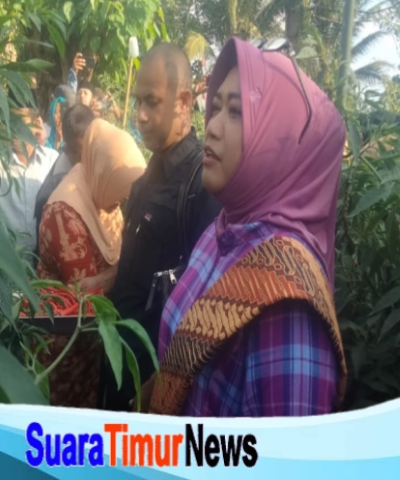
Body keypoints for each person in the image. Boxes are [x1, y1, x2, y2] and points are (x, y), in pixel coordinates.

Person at [141, 37, 348, 417]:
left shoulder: (289, 308)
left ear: (280, 140)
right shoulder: (220, 231)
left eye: (236, 112)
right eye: (216, 107)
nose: (212, 127)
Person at [92, 43, 222, 411]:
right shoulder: (148, 176)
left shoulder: (200, 185)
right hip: (118, 356)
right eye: (138, 102)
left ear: (183, 102)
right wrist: (106, 278)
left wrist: (158, 385)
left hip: (150, 379)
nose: (140, 116)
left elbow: (205, 304)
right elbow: (142, 261)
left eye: (152, 102)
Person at [35, 118, 147, 409]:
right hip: (63, 349)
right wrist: (126, 269)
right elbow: (84, 291)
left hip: (89, 341)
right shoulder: (65, 213)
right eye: (121, 189)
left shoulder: (102, 198)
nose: (123, 199)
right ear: (103, 171)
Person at [0, 108, 58, 264]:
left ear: (36, 124)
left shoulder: (52, 161)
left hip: (45, 264)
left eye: (20, 123)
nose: (14, 131)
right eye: (10, 123)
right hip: (8, 262)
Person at [34, 104, 96, 240]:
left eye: (91, 150)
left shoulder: (96, 160)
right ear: (67, 150)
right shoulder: (56, 186)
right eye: (81, 154)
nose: (87, 158)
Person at [45, 85, 76, 150]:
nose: (59, 116)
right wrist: (57, 141)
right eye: (56, 112)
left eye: (61, 112)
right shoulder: (43, 134)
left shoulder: (73, 139)